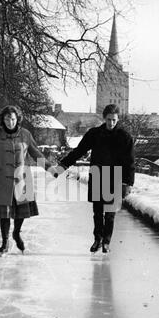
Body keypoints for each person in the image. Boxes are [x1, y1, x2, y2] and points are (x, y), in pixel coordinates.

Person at [0, 105, 54, 255]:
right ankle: (5, 242)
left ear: (17, 119)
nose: (10, 122)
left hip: (22, 179)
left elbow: (36, 153)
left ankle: (16, 233)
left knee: (21, 212)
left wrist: (49, 167)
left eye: (12, 119)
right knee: (4, 213)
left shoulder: (25, 134)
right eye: (7, 119)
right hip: (3, 181)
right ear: (2, 120)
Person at [59, 104, 135, 253]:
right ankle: (97, 239)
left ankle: (106, 241)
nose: (111, 123)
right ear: (104, 118)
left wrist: (128, 183)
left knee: (110, 214)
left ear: (118, 119)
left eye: (114, 120)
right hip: (98, 176)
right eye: (108, 120)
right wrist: (63, 165)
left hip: (115, 178)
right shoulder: (94, 134)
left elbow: (130, 162)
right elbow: (79, 151)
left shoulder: (124, 137)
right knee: (97, 213)